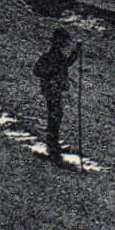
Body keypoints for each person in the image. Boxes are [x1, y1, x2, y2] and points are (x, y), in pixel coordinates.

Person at [33, 26, 82, 166]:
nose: (65, 44)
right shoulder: (51, 55)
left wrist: (76, 52)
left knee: (56, 114)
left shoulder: (56, 54)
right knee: (55, 114)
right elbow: (36, 70)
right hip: (51, 89)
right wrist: (50, 75)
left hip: (54, 89)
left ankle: (53, 143)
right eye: (64, 41)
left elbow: (66, 64)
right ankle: (52, 145)